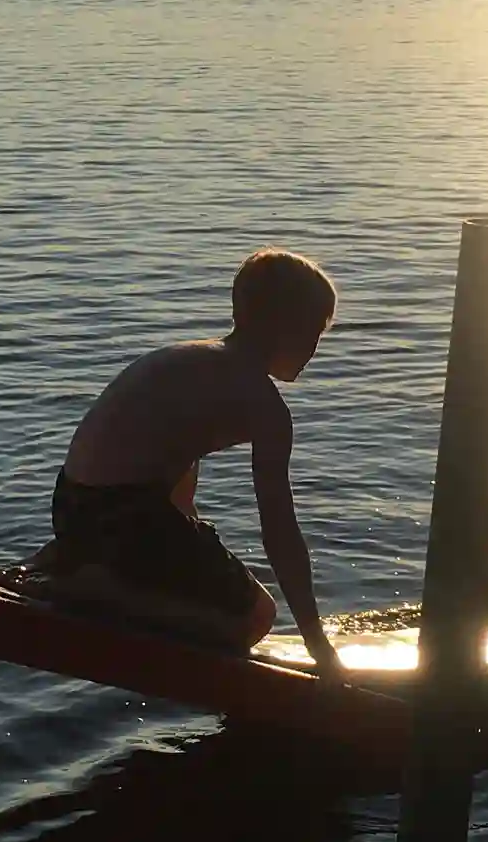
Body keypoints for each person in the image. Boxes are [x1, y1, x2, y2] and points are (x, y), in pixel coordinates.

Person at [47, 247, 342, 670]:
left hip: (72, 507)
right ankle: (96, 590)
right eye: (314, 331)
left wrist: (194, 550)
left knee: (195, 557)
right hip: (122, 517)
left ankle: (84, 567)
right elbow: (279, 531)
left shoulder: (193, 357)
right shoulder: (264, 405)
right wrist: (319, 646)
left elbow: (171, 471)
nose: (315, 348)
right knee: (256, 615)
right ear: (284, 327)